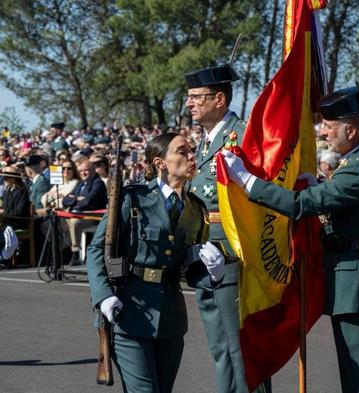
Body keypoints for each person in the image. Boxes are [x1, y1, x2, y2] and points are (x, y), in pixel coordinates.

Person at [223, 84, 359, 393]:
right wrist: (316, 183)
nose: (324, 133)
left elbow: (299, 206)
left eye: (330, 126)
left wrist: (246, 180)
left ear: (350, 129)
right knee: (357, 377)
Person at [86, 132, 225, 393]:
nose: (191, 156)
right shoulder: (132, 199)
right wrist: (103, 296)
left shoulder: (195, 210)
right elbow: (96, 250)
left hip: (170, 317)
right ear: (160, 163)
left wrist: (213, 275)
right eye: (182, 151)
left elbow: (190, 271)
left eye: (191, 150)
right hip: (129, 311)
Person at [185, 64, 269, 393]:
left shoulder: (243, 135)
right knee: (220, 349)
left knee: (241, 349)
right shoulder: (206, 142)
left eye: (196, 97)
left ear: (219, 99)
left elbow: (259, 190)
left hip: (234, 253)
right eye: (188, 98)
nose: (189, 104)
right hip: (205, 252)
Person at [62, 160, 107, 265]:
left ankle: (75, 253)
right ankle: (64, 252)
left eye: (86, 170)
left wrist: (74, 199)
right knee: (56, 222)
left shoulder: (98, 183)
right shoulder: (81, 183)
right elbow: (65, 200)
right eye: (81, 171)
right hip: (76, 214)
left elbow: (88, 202)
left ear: (93, 170)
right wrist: (78, 198)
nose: (83, 173)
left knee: (74, 222)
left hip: (92, 217)